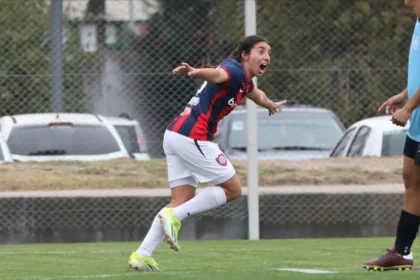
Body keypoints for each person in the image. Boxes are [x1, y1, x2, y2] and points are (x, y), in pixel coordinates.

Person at [128, 35, 286, 272]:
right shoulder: (233, 70)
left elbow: (258, 95)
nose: (267, 57)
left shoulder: (245, 82)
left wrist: (270, 105)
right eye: (261, 51)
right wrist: (196, 71)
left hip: (174, 135)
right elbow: (217, 74)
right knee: (233, 190)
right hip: (193, 136)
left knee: (180, 200)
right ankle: (176, 217)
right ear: (244, 55)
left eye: (269, 53)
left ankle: (141, 255)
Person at [362, 0, 420, 271]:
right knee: (411, 180)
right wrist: (404, 96)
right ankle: (402, 252)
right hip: (419, 124)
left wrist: (408, 108)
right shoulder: (418, 22)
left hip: (416, 115)